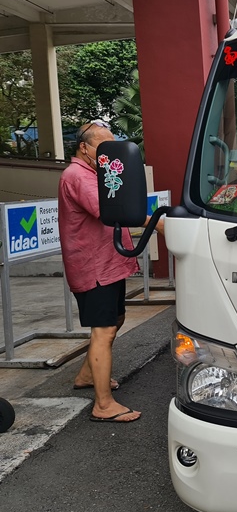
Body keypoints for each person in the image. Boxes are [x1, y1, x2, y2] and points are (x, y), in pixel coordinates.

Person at [58, 120, 162, 424]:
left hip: (108, 264)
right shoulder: (78, 176)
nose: (108, 154)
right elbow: (109, 210)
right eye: (103, 148)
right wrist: (157, 223)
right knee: (103, 330)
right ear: (84, 148)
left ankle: (86, 375)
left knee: (116, 319)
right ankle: (103, 405)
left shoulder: (96, 173)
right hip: (94, 268)